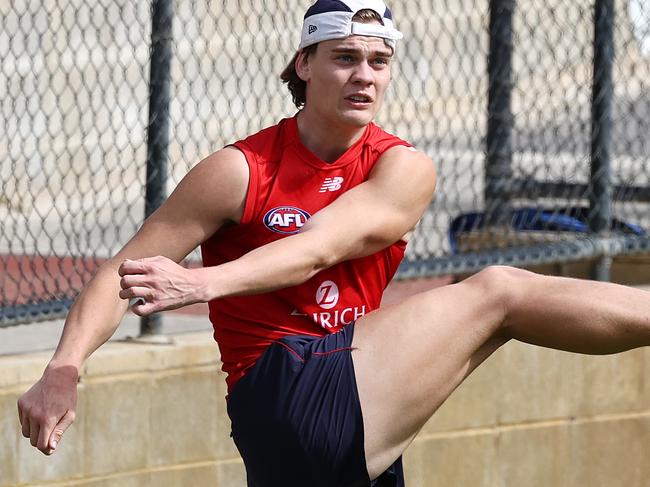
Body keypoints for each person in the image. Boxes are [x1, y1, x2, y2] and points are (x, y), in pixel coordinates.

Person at [16, 0, 650, 485]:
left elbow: (322, 244)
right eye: (345, 58)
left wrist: (203, 282)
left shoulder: (402, 169)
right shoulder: (239, 170)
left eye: (379, 62)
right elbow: (123, 271)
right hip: (282, 391)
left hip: (360, 394)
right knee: (499, 291)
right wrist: (62, 369)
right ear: (304, 64)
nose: (364, 77)